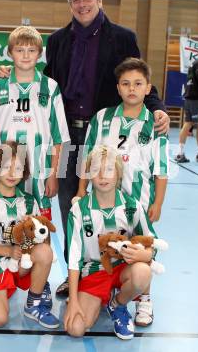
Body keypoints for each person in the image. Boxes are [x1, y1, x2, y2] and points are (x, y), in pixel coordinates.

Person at [37, 0, 170, 298]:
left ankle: (118, 270)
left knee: (117, 204)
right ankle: (76, 272)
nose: (82, 5)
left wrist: (156, 108)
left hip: (105, 138)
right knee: (73, 207)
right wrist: (10, 76)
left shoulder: (122, 38)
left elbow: (135, 76)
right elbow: (46, 85)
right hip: (67, 136)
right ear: (70, 4)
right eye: (75, 0)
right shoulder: (56, 41)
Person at [75, 58, 169, 325]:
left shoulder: (154, 124)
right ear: (118, 88)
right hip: (102, 197)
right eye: (126, 84)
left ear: (148, 88)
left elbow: (161, 169)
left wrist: (158, 202)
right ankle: (101, 282)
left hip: (139, 200)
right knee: (102, 241)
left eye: (138, 84)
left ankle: (144, 299)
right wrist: (82, 189)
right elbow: (87, 157)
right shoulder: (102, 118)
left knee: (141, 245)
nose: (132, 89)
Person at [0, 26, 69, 220]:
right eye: (19, 50)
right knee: (3, 226)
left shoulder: (51, 88)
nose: (25, 55)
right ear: (10, 53)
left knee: (41, 229)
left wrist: (54, 175)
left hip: (39, 172)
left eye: (31, 50)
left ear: (40, 54)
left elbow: (59, 138)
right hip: (2, 170)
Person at [64, 145, 157, 340]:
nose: (103, 176)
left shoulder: (132, 206)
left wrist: (145, 255)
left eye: (108, 170)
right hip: (94, 272)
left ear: (118, 173)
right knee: (76, 328)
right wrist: (73, 300)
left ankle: (117, 304)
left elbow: (151, 241)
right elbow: (74, 259)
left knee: (143, 272)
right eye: (96, 170)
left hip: (122, 268)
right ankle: (99, 299)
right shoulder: (79, 210)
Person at [0, 141, 59, 328]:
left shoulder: (28, 201)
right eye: (6, 167)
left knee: (45, 252)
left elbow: (43, 236)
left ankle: (33, 303)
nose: (11, 174)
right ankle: (2, 289)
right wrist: (8, 251)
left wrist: (32, 232)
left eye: (17, 168)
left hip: (22, 262)